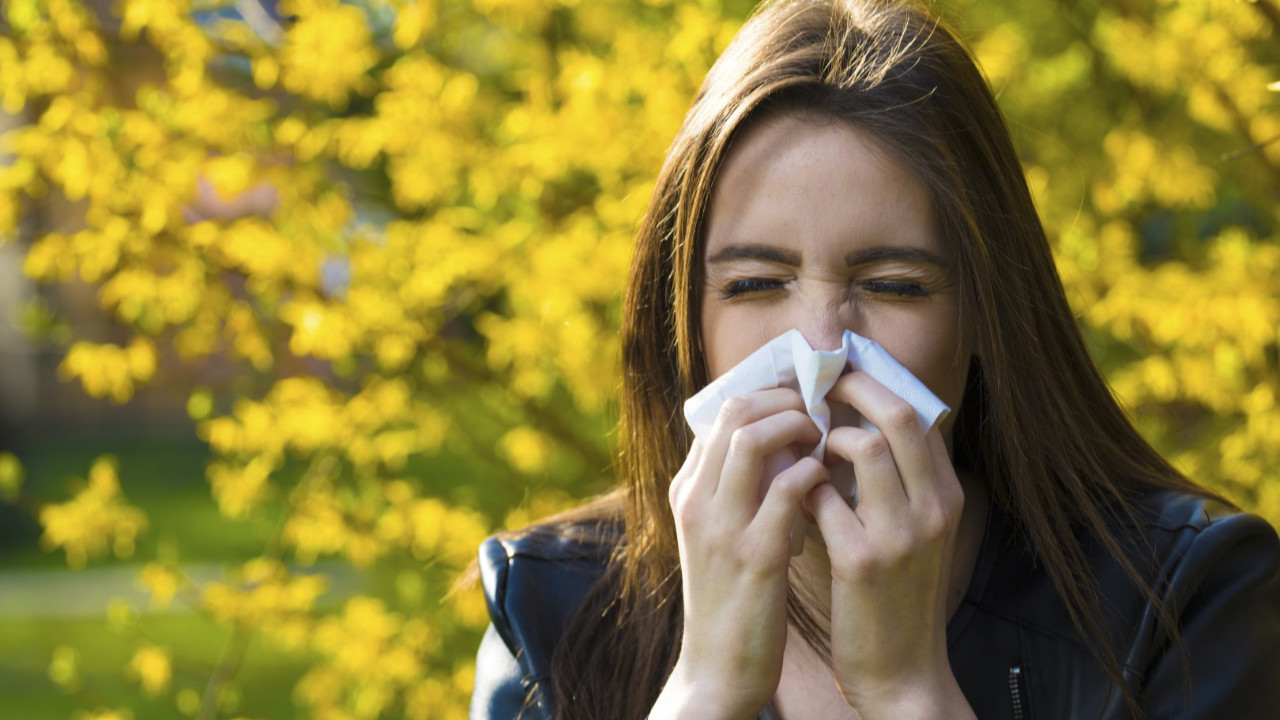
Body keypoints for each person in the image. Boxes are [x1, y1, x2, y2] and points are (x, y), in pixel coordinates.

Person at [468, 0, 1280, 718]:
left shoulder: (1184, 601)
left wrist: (910, 693)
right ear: (684, 320)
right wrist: (704, 692)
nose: (822, 349)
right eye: (755, 284)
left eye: (893, 286)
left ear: (985, 315)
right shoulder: (548, 613)